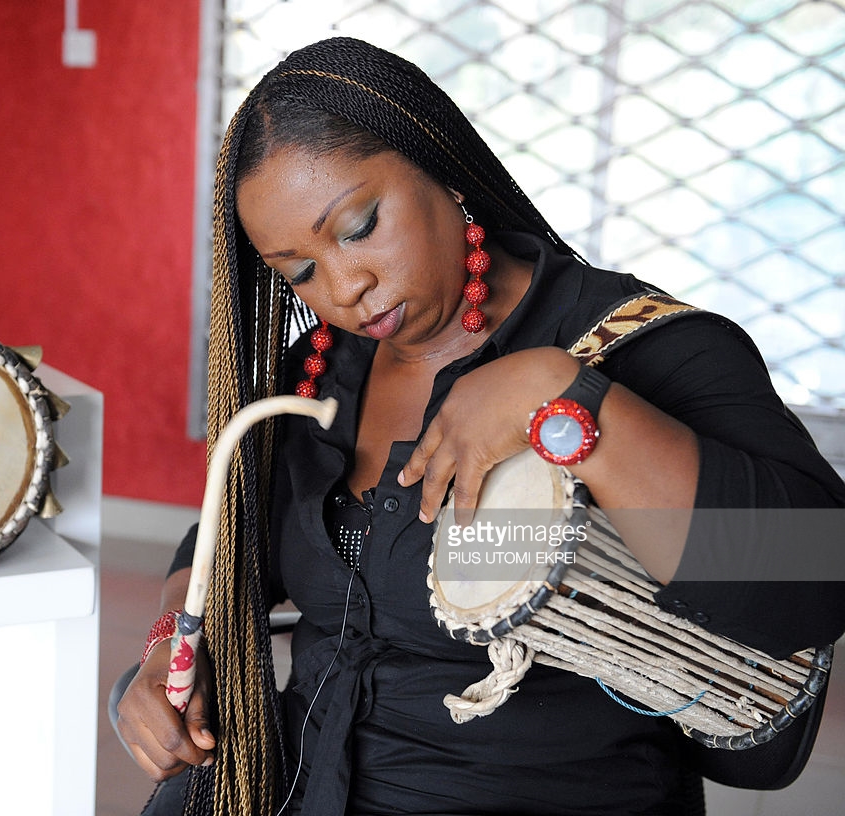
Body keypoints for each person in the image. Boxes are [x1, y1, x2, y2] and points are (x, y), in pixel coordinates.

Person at [115, 36, 845, 816]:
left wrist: (562, 398)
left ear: (439, 166)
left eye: (359, 225)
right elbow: (224, 542)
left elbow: (815, 578)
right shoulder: (318, 378)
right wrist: (166, 645)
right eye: (300, 271)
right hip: (301, 781)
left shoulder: (640, 345)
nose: (345, 284)